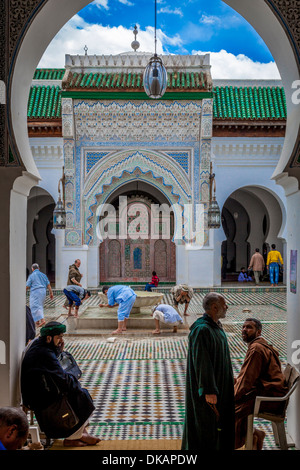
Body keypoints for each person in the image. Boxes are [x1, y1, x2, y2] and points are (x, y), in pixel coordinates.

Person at [21, 321, 99, 447]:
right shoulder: (44, 353)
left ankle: (80, 434)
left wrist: (58, 350)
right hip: (40, 398)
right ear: (49, 338)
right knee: (81, 395)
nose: (61, 340)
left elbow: (54, 372)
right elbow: (62, 379)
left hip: (40, 391)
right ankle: (73, 438)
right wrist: (75, 382)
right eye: (59, 337)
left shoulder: (41, 345)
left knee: (78, 391)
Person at [181, 292, 235, 451]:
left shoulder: (215, 327)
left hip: (220, 388)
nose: (227, 307)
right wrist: (208, 390)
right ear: (214, 307)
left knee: (216, 430)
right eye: (224, 305)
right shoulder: (202, 330)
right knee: (205, 430)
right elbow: (202, 362)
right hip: (208, 394)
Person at [234, 318, 288, 450]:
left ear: (258, 332)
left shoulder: (256, 349)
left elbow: (247, 380)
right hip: (269, 393)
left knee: (229, 409)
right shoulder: (260, 345)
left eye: (249, 328)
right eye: (243, 327)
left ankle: (251, 437)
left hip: (269, 398)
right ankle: (254, 435)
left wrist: (233, 395)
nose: (244, 330)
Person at [26, 263, 53, 327]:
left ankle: (42, 320)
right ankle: (37, 320)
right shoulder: (43, 275)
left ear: (32, 269)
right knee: (39, 305)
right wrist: (51, 293)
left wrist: (23, 293)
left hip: (36, 292)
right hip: (43, 292)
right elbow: (48, 285)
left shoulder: (32, 276)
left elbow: (27, 286)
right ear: (39, 268)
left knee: (34, 306)